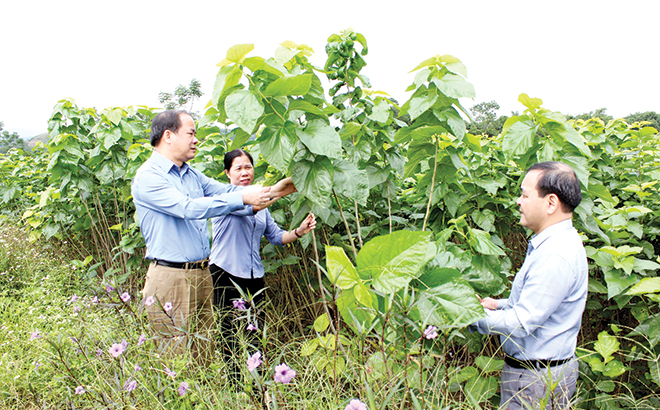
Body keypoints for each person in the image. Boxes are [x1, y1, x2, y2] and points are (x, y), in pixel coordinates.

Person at [131, 110, 294, 364]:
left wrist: (275, 191)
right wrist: (243, 197)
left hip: (202, 275)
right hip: (171, 278)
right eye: (191, 133)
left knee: (204, 356)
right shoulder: (149, 176)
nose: (196, 140)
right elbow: (187, 208)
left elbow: (229, 192)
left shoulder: (190, 174)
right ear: (168, 136)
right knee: (176, 361)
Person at [470, 162, 588, 410]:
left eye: (524, 194)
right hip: (540, 373)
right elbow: (546, 302)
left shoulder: (555, 255)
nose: (518, 201)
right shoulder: (557, 243)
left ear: (551, 203)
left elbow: (523, 323)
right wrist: (499, 305)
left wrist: (466, 314)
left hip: (536, 381)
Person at [209, 149, 316, 375]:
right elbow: (255, 205)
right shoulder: (226, 198)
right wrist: (289, 184)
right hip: (225, 271)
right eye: (238, 168)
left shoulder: (262, 208)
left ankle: (257, 385)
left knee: (255, 331)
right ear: (227, 173)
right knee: (229, 330)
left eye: (248, 167)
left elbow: (277, 237)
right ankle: (234, 384)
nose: (244, 172)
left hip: (253, 275)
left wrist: (299, 231)